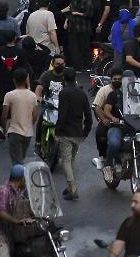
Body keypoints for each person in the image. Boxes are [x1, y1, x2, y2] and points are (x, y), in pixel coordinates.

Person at [57, 67, 92, 200]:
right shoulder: (82, 93)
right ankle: (69, 185)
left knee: (66, 160)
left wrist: (58, 130)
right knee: (71, 159)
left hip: (66, 131)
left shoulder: (64, 93)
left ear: (64, 79)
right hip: (78, 132)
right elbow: (88, 115)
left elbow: (62, 114)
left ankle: (73, 188)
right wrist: (86, 131)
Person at [0, 164, 29, 257]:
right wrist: (16, 221)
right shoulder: (3, 190)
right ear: (22, 179)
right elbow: (1, 212)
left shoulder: (18, 192)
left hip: (11, 234)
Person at [2, 68, 38, 166]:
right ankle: (21, 179)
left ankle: (19, 180)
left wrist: (5, 129)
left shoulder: (9, 95)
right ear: (26, 79)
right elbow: (35, 115)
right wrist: (30, 124)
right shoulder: (32, 96)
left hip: (14, 131)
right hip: (28, 133)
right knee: (21, 158)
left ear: (14, 80)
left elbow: (4, 115)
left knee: (16, 162)